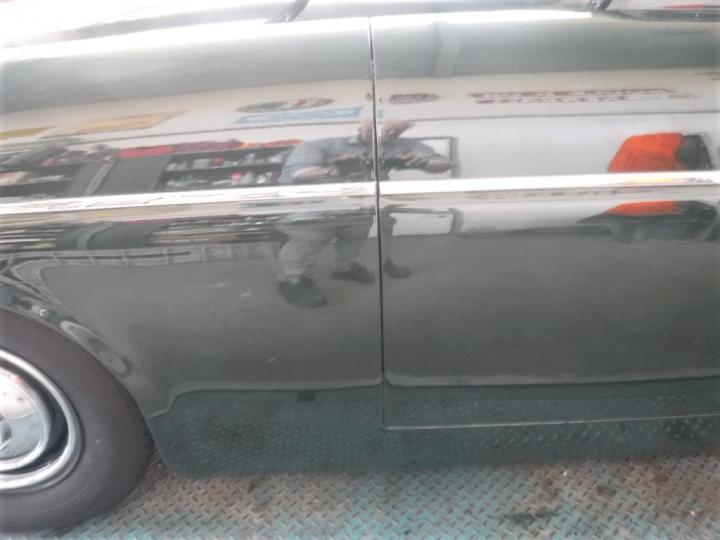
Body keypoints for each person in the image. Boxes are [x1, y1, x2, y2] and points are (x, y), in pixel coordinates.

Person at [277, 120, 451, 308]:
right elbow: (297, 172)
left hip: (361, 206)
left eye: (398, 128)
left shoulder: (405, 145)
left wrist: (426, 162)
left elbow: (442, 164)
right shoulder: (323, 145)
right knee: (309, 242)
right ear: (360, 125)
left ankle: (344, 269)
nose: (389, 131)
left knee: (354, 237)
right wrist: (335, 170)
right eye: (378, 125)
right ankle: (293, 280)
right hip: (319, 206)